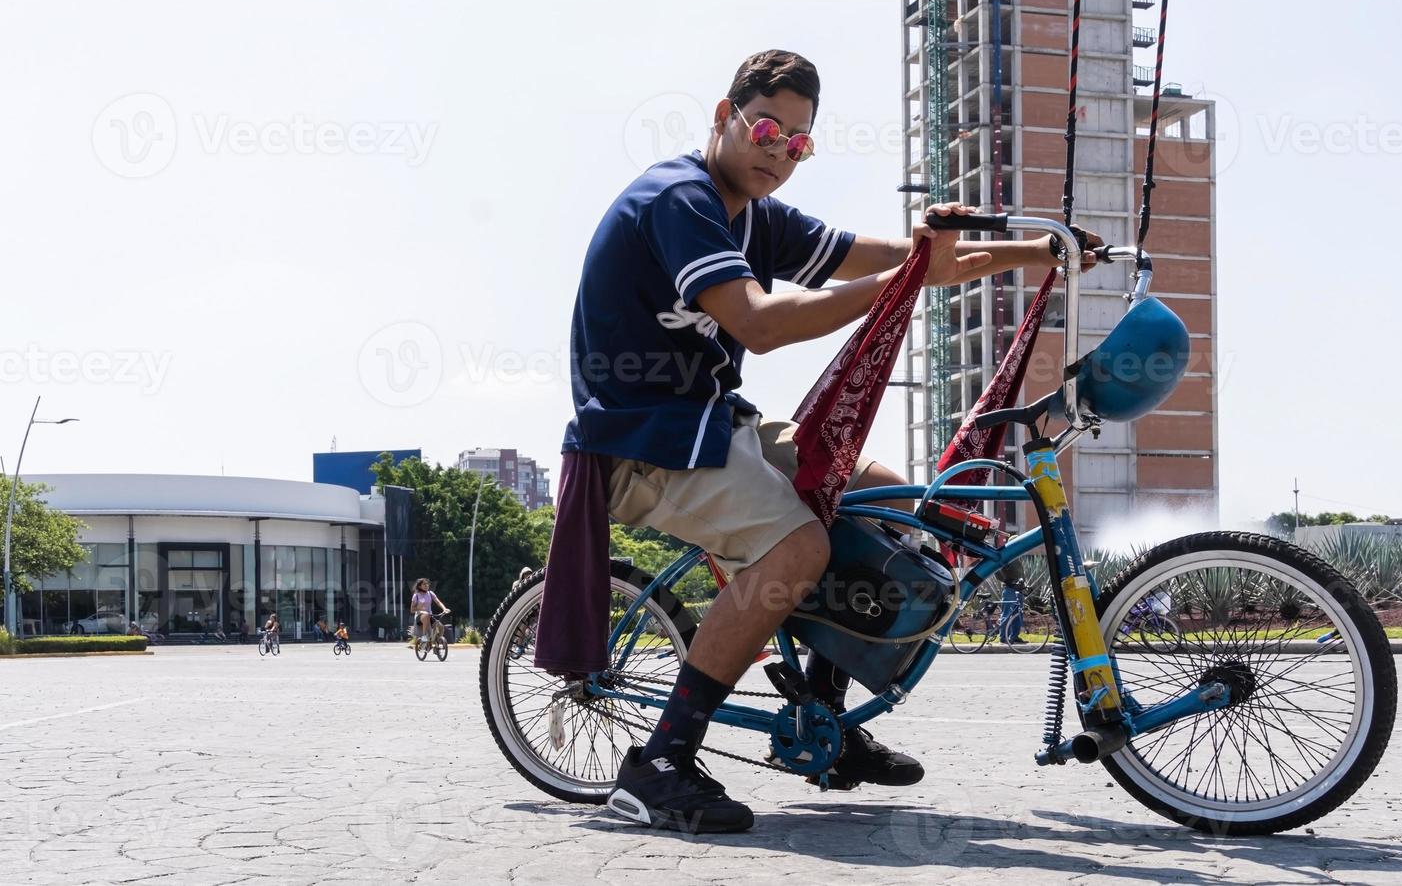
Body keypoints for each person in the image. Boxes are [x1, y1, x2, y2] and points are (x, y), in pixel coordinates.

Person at [565, 50, 1100, 833]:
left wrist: (1048, 250)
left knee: (891, 502)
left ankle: (825, 716)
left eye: (799, 143)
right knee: (800, 549)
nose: (780, 151)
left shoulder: (754, 212)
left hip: (713, 424)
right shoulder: (680, 198)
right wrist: (908, 278)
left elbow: (901, 262)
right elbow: (759, 322)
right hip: (641, 442)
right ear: (725, 116)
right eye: (769, 128)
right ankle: (662, 763)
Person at [409, 578, 450, 643]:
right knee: (426, 615)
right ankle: (424, 636)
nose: (426, 586)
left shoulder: (430, 593)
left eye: (427, 584)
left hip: (429, 616)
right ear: (420, 586)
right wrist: (421, 610)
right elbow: (412, 609)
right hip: (419, 618)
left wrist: (444, 609)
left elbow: (438, 602)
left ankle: (437, 642)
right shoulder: (416, 596)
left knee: (441, 627)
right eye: (424, 584)